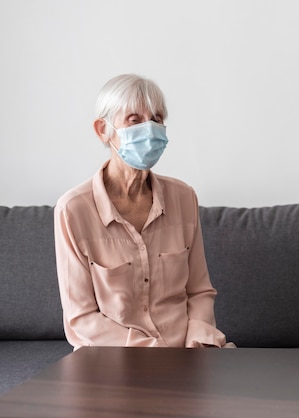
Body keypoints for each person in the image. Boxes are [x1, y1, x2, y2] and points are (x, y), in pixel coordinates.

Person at [55, 74, 229, 349]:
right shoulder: (73, 210)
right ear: (103, 130)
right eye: (135, 120)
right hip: (114, 362)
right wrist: (152, 352)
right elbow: (81, 318)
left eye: (157, 119)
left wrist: (197, 346)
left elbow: (199, 291)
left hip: (186, 356)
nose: (150, 129)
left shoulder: (184, 198)